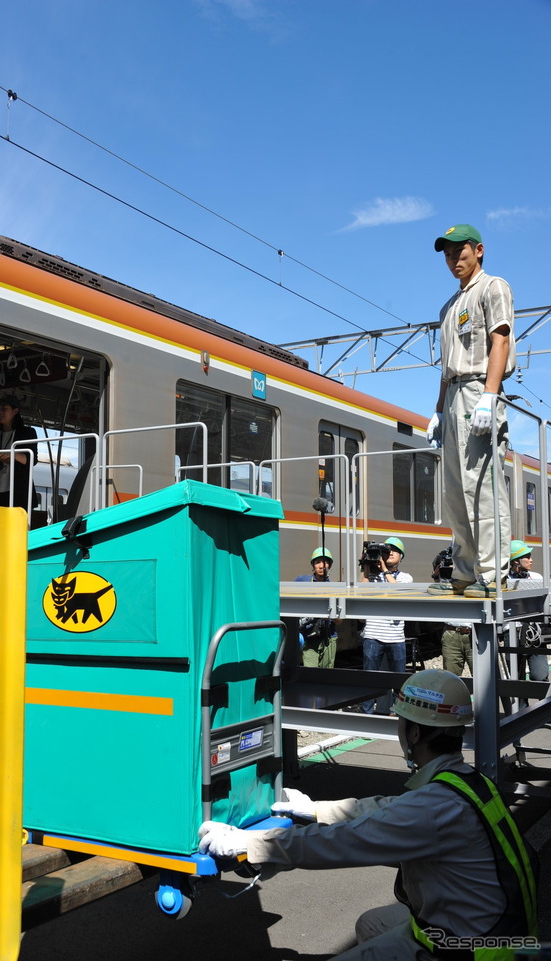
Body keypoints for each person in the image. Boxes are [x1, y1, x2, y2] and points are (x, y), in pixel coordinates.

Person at [199, 669, 538, 961]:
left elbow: (344, 843)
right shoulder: (467, 782)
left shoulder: (433, 808)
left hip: (471, 951)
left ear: (415, 733)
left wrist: (253, 844)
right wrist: (315, 809)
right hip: (495, 930)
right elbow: (384, 810)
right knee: (371, 925)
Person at [426, 225, 516, 600]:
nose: (452, 261)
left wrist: (490, 395)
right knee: (455, 491)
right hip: (453, 396)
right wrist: (438, 412)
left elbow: (501, 339)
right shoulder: (448, 307)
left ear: (478, 250)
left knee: (482, 486)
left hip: (480, 388)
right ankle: (463, 572)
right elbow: (447, 366)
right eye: (446, 255)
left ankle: (494, 574)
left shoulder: (493, 287)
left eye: (458, 253)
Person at [360, 537, 412, 714]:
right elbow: (361, 593)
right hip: (373, 634)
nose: (390, 553)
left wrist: (384, 570)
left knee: (399, 682)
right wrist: (366, 566)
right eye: (386, 550)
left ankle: (400, 715)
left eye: (395, 550)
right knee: (369, 680)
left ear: (402, 556)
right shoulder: (373, 577)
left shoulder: (406, 577)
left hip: (396, 637)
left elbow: (398, 593)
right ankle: (367, 715)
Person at [0, 395, 38, 514]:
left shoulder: (27, 433)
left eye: (4, 409)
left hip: (16, 492)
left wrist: (13, 455)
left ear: (15, 411)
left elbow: (31, 459)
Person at [507, 540, 548, 687]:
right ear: (516, 561)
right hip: (512, 632)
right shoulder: (504, 580)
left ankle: (543, 708)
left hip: (534, 632)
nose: (531, 560)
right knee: (515, 677)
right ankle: (520, 708)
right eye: (527, 557)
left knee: (540, 675)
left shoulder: (537, 578)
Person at [432, 549, 474, 676]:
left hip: (475, 633)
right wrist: (437, 574)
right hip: (451, 633)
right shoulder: (445, 564)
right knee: (450, 678)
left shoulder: (473, 565)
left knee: (483, 678)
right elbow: (436, 587)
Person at [295, 547, 338, 669]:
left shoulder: (334, 588)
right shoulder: (302, 581)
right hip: (309, 636)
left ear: (329, 566)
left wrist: (335, 616)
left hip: (329, 637)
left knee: (326, 677)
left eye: (325, 562)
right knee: (310, 674)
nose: (321, 566)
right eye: (318, 562)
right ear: (313, 565)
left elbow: (340, 621)